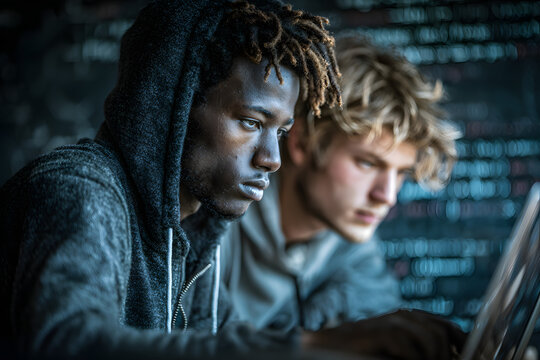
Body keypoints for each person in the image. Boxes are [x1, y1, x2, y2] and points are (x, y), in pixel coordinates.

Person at [0, 0, 341, 358]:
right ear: (174, 105)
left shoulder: (192, 236)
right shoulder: (80, 190)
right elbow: (71, 346)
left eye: (281, 132)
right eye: (252, 122)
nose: (271, 159)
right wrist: (306, 347)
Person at [221, 34, 463, 358]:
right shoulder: (214, 222)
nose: (387, 196)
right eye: (367, 162)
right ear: (303, 143)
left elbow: (382, 330)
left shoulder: (352, 246)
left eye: (401, 172)